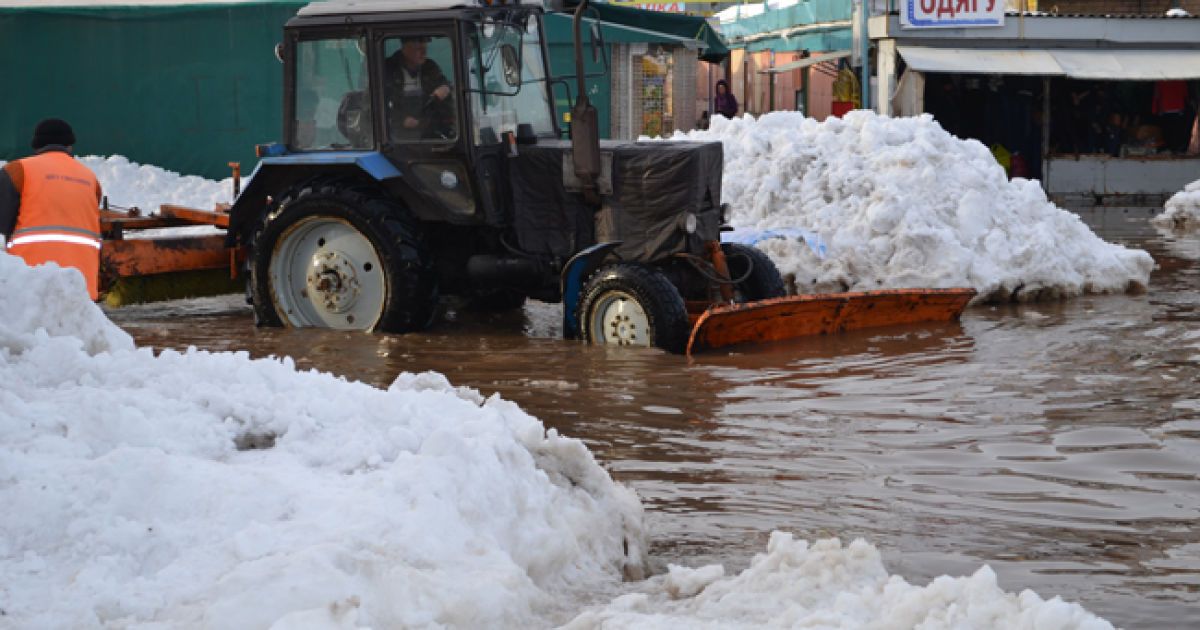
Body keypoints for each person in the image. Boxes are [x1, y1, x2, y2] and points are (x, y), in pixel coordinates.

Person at [0, 118, 103, 300]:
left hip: (30, 287)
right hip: (82, 292)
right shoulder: (90, 178)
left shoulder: (18, 171)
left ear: (36, 145)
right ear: (70, 146)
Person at [385, 36, 454, 140]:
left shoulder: (430, 67)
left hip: (427, 131)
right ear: (405, 48)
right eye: (419, 49)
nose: (424, 53)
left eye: (425, 49)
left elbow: (445, 83)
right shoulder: (387, 69)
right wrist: (401, 120)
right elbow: (373, 105)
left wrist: (445, 88)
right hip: (395, 138)